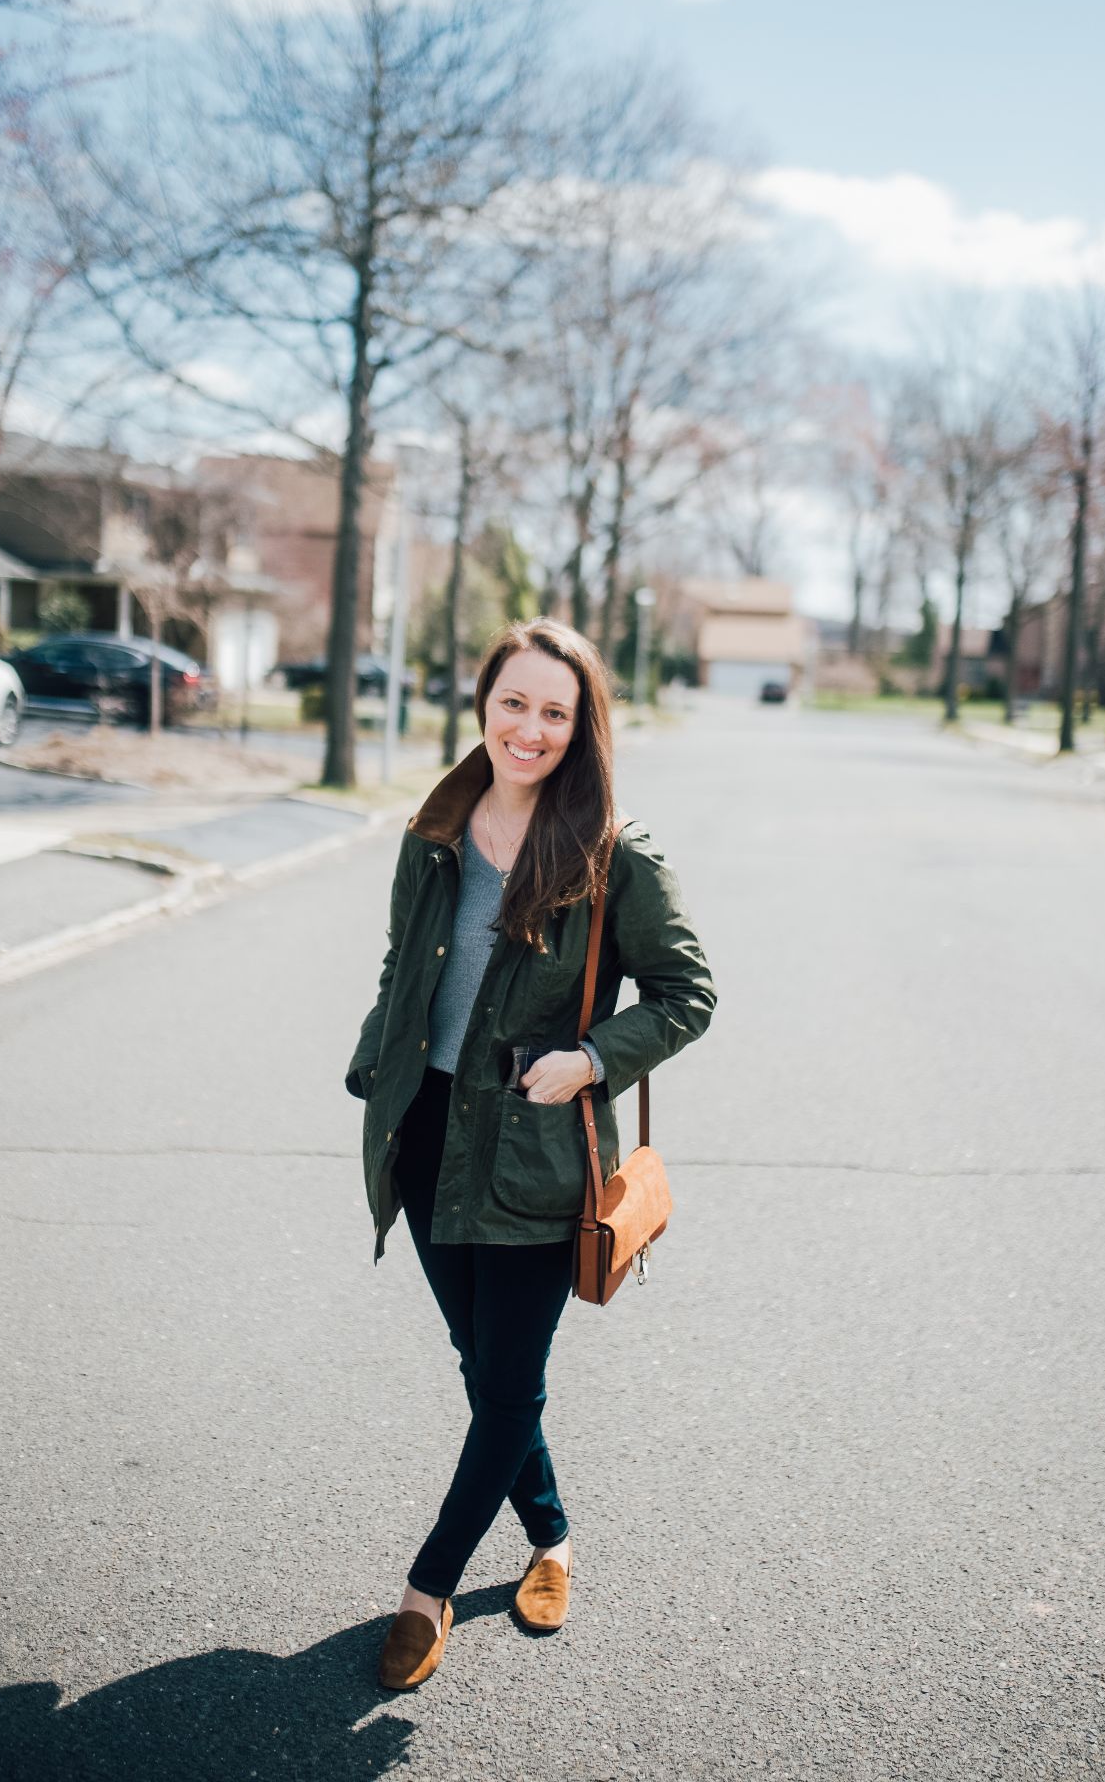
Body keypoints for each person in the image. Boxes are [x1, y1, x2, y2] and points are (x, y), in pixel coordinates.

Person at [346, 617, 716, 1690]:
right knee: (485, 1367)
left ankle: (428, 1589)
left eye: (555, 710)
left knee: (508, 1383)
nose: (531, 727)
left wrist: (593, 1056)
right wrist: (374, 1063)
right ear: (483, 703)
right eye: (515, 701)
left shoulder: (613, 851)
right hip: (422, 1137)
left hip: (536, 1158)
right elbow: (397, 964)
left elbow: (690, 995)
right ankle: (551, 1537)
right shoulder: (435, 830)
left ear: (580, 724)